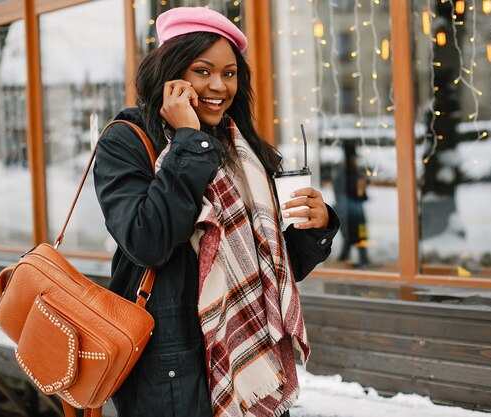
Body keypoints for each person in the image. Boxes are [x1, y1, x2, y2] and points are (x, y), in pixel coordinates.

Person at [93, 7, 340, 417]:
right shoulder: (128, 141)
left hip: (252, 360)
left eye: (229, 74)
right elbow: (146, 241)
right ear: (170, 74)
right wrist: (188, 139)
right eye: (202, 71)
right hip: (172, 366)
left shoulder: (246, 152)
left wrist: (317, 228)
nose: (218, 86)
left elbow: (267, 268)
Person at [334, 143, 370, 268]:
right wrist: (358, 188)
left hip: (355, 209)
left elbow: (360, 194)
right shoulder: (344, 174)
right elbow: (342, 192)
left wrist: (361, 189)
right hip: (350, 210)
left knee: (356, 235)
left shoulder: (353, 172)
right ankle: (358, 258)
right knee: (355, 235)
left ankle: (352, 258)